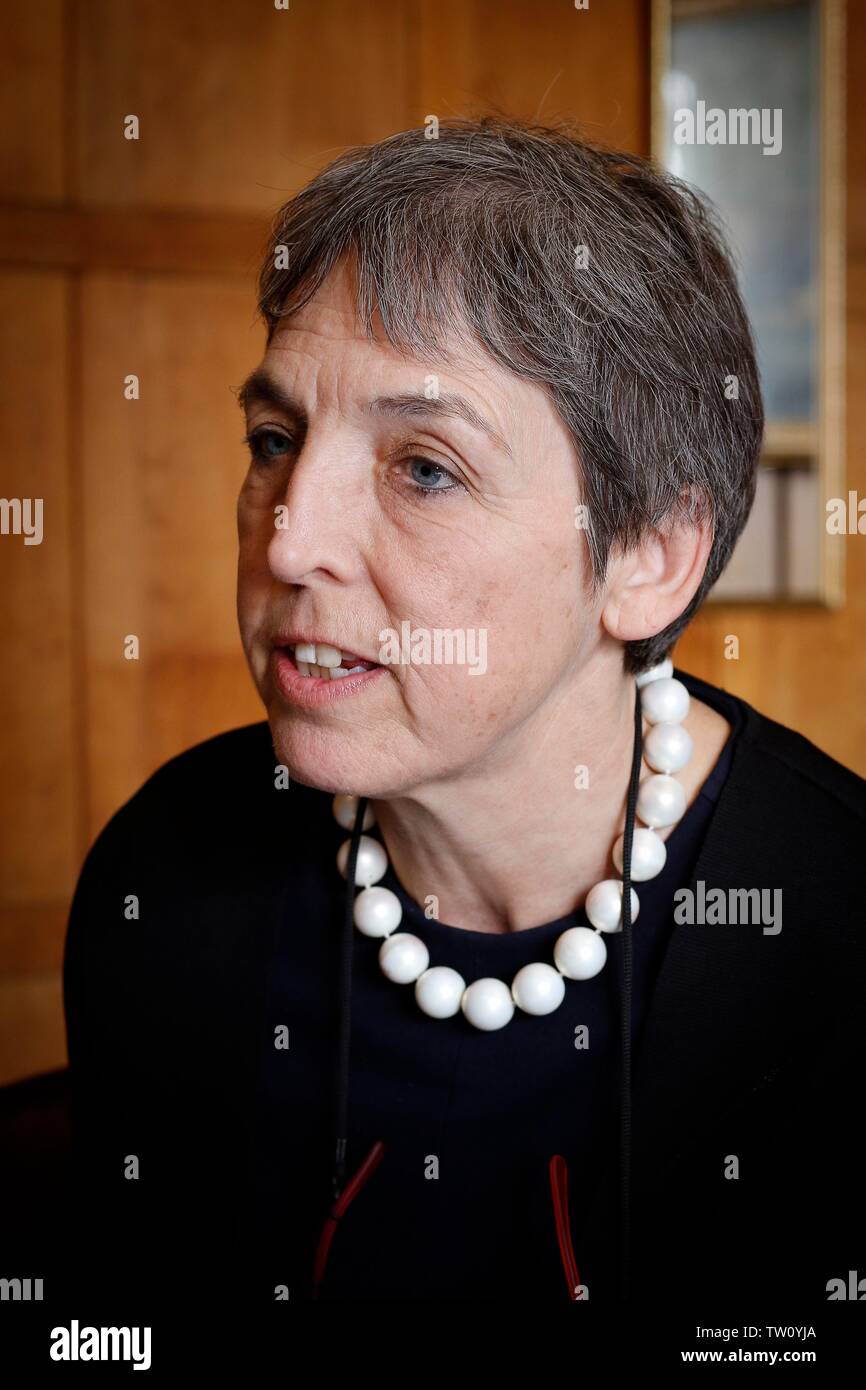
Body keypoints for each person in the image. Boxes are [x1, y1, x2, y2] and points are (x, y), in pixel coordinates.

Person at [61, 117, 865, 1323]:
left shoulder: (839, 936)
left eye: (423, 467)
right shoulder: (166, 878)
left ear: (649, 554)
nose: (288, 536)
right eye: (275, 440)